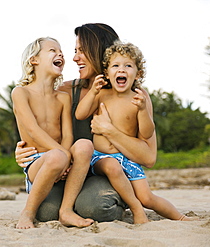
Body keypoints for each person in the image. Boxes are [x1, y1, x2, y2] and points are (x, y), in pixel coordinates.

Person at [15, 23, 157, 223]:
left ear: (101, 52)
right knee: (46, 212)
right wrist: (24, 150)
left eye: (82, 51)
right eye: (74, 51)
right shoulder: (64, 92)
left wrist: (109, 131)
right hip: (67, 171)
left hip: (105, 173)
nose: (74, 58)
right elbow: (36, 124)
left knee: (97, 207)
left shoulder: (134, 96)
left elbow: (149, 157)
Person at [76, 41, 196, 223]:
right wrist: (92, 92)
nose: (121, 70)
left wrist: (142, 110)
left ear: (138, 74)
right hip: (99, 157)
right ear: (107, 72)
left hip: (126, 158)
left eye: (128, 66)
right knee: (112, 166)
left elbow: (147, 133)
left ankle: (180, 217)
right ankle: (136, 209)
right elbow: (80, 114)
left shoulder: (138, 99)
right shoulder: (102, 94)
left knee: (147, 197)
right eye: (115, 65)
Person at [12, 37, 94, 229]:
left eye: (61, 52)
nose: (60, 54)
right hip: (37, 162)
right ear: (34, 60)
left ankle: (66, 211)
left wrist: (66, 156)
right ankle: (27, 213)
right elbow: (33, 129)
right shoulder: (21, 93)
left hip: (61, 157)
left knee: (84, 145)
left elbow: (67, 136)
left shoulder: (62, 98)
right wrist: (63, 155)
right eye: (52, 50)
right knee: (56, 156)